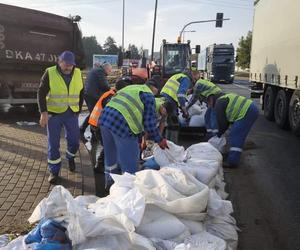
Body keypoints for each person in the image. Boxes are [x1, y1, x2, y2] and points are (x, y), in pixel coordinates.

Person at [99, 77, 168, 189]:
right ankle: (128, 192)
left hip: (105, 119)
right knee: (130, 163)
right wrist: (159, 140)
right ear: (155, 89)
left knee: (111, 157)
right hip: (122, 124)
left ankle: (109, 184)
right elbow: (149, 124)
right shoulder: (148, 95)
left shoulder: (132, 88)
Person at [37, 51, 84, 184]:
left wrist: (78, 110)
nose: (68, 67)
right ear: (59, 61)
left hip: (71, 114)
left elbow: (81, 92)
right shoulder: (50, 72)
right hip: (54, 114)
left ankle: (70, 157)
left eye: (71, 65)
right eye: (66, 64)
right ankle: (54, 171)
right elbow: (41, 92)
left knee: (75, 141)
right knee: (53, 144)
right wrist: (43, 112)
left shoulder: (78, 72)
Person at [88, 77, 132, 173]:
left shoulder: (111, 93)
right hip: (98, 124)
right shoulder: (111, 96)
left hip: (96, 123)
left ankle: (102, 166)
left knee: (108, 146)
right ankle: (100, 167)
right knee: (109, 146)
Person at [213, 93, 259, 168]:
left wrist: (219, 134)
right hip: (250, 109)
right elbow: (227, 121)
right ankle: (232, 154)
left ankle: (232, 162)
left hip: (247, 111)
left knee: (236, 136)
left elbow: (222, 123)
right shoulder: (224, 98)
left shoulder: (219, 103)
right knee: (235, 134)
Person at [160, 69, 200, 142]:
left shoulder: (179, 76)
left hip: (166, 98)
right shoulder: (186, 79)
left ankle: (168, 143)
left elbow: (176, 94)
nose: (194, 82)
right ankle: (173, 145)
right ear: (193, 76)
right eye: (195, 79)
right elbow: (180, 95)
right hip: (170, 100)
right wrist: (185, 110)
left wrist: (180, 107)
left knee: (170, 123)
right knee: (175, 124)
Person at [80, 62, 113, 141]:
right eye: (110, 70)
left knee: (93, 114)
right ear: (106, 69)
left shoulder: (97, 70)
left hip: (90, 94)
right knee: (94, 114)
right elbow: (104, 85)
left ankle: (90, 133)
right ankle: (85, 131)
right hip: (92, 96)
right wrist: (112, 90)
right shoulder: (100, 72)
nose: (110, 72)